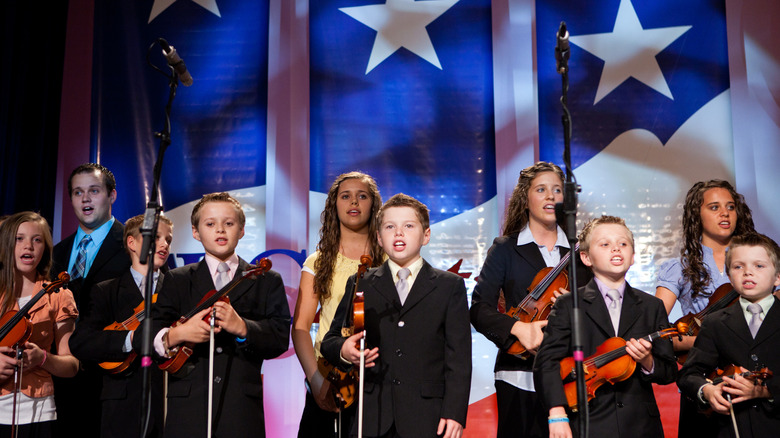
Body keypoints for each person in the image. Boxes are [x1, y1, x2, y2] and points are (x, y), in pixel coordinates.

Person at [321, 193, 471, 438]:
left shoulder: (449, 286)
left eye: (408, 226)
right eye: (390, 227)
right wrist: (344, 351)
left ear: (426, 235)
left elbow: (459, 358)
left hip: (428, 416)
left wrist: (454, 412)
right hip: (372, 414)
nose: (398, 233)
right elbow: (331, 340)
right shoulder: (361, 282)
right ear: (379, 237)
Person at [143, 192, 290, 437]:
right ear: (195, 232)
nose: (220, 230)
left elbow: (279, 338)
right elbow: (148, 336)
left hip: (240, 409)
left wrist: (243, 327)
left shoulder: (265, 279)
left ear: (241, 230)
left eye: (229, 223)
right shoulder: (177, 280)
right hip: (188, 410)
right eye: (210, 224)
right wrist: (178, 334)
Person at [470, 162, 589, 438]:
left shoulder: (581, 252)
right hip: (518, 376)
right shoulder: (505, 249)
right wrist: (519, 329)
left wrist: (579, 304)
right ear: (526, 198)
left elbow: (601, 310)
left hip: (570, 376)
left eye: (557, 190)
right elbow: (479, 309)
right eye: (541, 189)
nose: (550, 196)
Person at [534, 215, 677, 438]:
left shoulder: (652, 306)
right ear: (586, 257)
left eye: (623, 244)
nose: (616, 249)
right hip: (587, 424)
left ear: (632, 257)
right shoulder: (569, 304)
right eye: (605, 244)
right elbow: (547, 362)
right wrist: (557, 413)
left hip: (640, 427)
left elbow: (668, 371)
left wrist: (647, 361)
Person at [655, 180, 755, 436]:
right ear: (696, 216)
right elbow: (655, 326)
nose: (725, 213)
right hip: (705, 379)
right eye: (714, 207)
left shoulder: (759, 261)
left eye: (730, 207)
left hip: (755, 377)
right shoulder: (678, 267)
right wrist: (708, 341)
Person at [292, 172, 384, 437]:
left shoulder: (391, 260)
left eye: (362, 196)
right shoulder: (317, 262)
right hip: (331, 377)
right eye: (346, 196)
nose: (354, 202)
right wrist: (315, 381)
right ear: (334, 205)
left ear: (373, 205)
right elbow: (300, 327)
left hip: (378, 379)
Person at [68, 214, 174, 438]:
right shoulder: (106, 290)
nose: (164, 244)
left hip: (169, 402)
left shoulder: (178, 288)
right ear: (132, 242)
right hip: (122, 407)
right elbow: (81, 342)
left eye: (168, 239)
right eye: (155, 237)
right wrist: (131, 339)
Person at [51, 163, 131, 437]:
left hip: (115, 380)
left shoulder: (133, 247)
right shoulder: (55, 253)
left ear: (112, 196)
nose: (85, 199)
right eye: (77, 192)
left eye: (94, 191)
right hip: (61, 385)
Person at [678, 232, 780, 438]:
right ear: (729, 276)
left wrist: (767, 390)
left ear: (778, 276)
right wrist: (707, 391)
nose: (747, 272)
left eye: (759, 266)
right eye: (738, 266)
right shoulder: (715, 322)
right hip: (731, 429)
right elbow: (690, 374)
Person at [0, 212, 79, 438]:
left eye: (37, 239)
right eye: (19, 238)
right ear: (6, 243)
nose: (29, 246)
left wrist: (43, 358)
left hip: (39, 411)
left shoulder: (58, 296)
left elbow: (71, 365)